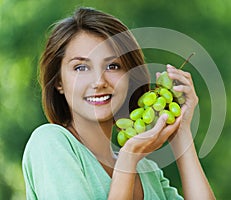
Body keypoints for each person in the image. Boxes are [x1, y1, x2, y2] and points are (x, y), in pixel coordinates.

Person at [22, 7, 215, 200]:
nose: (99, 82)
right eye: (81, 67)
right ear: (59, 82)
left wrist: (180, 130)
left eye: (113, 66)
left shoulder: (147, 171)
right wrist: (127, 160)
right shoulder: (49, 142)